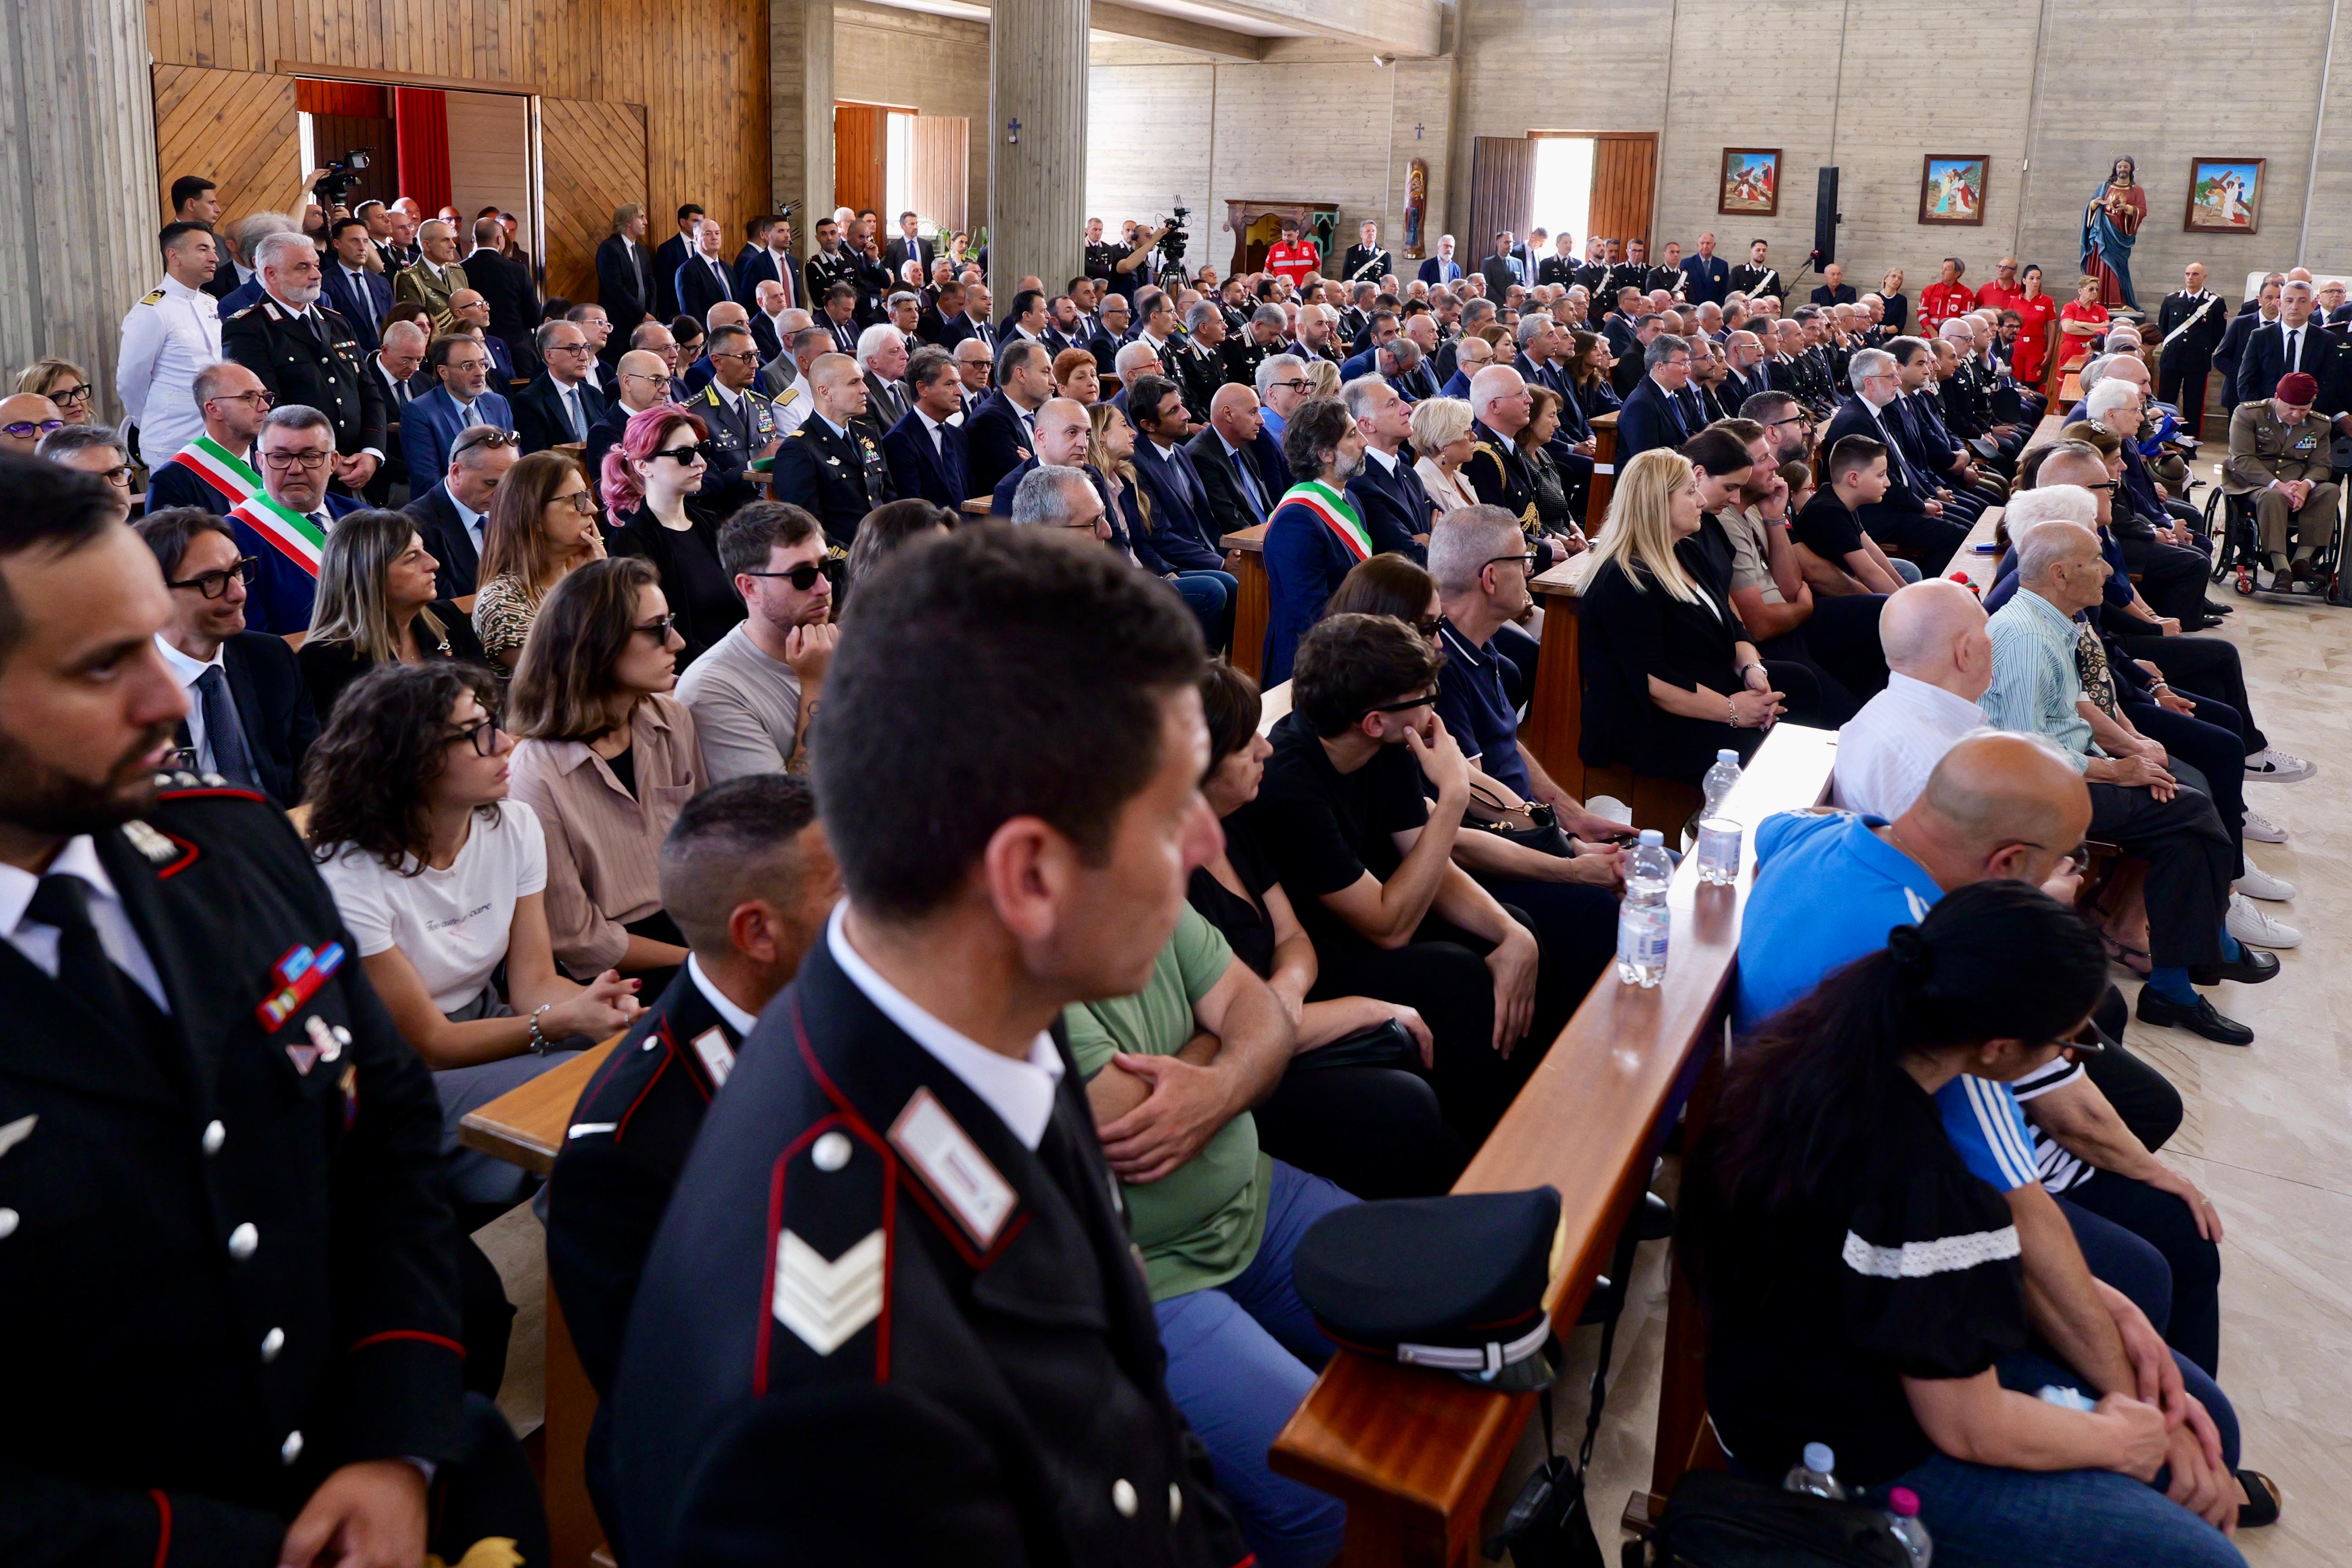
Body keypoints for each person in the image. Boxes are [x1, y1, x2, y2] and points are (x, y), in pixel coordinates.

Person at [609, 525, 1255, 1565]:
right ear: (1031, 878)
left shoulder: (980, 1021)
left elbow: (1125, 1401)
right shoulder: (832, 1410)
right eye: (1174, 801)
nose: (1208, 839)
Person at [0, 453, 552, 1568]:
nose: (166, 696)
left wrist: (392, 1441)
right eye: (105, 664)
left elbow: (388, 1133)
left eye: (153, 643)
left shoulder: (233, 841)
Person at [1693, 882, 2252, 1565]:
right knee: (2203, 1553)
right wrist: (2121, 1438)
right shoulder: (1918, 1174)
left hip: (1828, 1365)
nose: (2069, 1057)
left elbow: (1909, 1270)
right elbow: (1971, 1427)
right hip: (1842, 1452)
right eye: (2067, 1042)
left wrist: (2110, 1309)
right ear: (1998, 1049)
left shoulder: (1818, 1047)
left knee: (2206, 1416)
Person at [545, 774, 837, 1527]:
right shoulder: (631, 1143)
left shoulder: (851, 1017)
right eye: (844, 889)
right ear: (758, 934)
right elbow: (676, 1392)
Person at [305, 660, 642, 1212]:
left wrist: (595, 1006)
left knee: (643, 1053)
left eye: (496, 722)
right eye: (478, 732)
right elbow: (431, 1042)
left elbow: (533, 981)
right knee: (585, 1091)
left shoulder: (511, 825)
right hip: (396, 1073)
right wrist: (561, 1020)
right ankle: (586, 1261)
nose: (507, 743)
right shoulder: (348, 874)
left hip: (487, 1020)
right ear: (411, 760)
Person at [1244, 611, 1562, 1145]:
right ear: (1373, 720)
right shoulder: (1290, 782)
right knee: (1457, 976)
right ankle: (1482, 1150)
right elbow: (1387, 926)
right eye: (1425, 697)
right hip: (1310, 948)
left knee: (1522, 931)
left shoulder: (1388, 742)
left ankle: (1537, 1121)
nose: (1434, 708)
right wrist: (1453, 797)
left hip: (1372, 908)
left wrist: (1512, 935)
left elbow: (1428, 862)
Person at [1189, 660, 1466, 1201]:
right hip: (1246, 1071)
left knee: (1452, 986)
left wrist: (1286, 988)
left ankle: (1499, 1179)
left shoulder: (1234, 824)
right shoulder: (1174, 877)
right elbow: (1222, 1038)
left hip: (1284, 1016)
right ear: (1196, 765)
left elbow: (1293, 939)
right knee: (1403, 1104)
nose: (1264, 749)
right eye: (1246, 744)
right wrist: (1366, 1007)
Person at [1981, 521, 2264, 1044]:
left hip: (2070, 765)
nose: (2109, 569)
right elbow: (2026, 749)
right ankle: (2203, 954)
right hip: (2037, 793)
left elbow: (2076, 707)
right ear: (2061, 573)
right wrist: (2118, 769)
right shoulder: (2022, 636)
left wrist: (2133, 747)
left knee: (2188, 799)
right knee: (2190, 809)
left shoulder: (2054, 620)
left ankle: (2174, 980)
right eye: (2095, 560)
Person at [505, 557, 700, 988]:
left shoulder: (672, 719)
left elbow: (708, 847)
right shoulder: (536, 773)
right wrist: (700, 961)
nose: (679, 642)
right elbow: (577, 938)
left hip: (697, 927)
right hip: (618, 973)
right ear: (595, 644)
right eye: (657, 629)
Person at [1578, 447, 1815, 780]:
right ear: (1657, 502)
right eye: (1690, 492)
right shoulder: (1623, 577)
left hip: (1707, 682)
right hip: (1653, 718)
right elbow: (1652, 681)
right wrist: (1734, 711)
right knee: (1775, 756)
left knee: (1800, 685)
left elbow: (1732, 623)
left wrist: (1752, 670)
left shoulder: (1687, 550)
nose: (1702, 501)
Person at [134, 505, 317, 804]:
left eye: (238, 570)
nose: (238, 593)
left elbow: (314, 769)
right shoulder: (125, 693)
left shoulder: (270, 658)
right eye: (211, 580)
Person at [676, 502, 837, 781]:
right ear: (750, 588)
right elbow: (786, 818)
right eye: (802, 577)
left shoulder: (839, 647)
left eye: (826, 568)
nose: (823, 588)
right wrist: (817, 685)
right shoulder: (712, 688)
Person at [297, 505, 488, 720]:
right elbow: (351, 748)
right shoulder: (324, 660)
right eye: (412, 557)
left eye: (424, 550)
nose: (434, 564)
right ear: (370, 575)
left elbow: (488, 700)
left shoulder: (447, 618)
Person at [602, 403, 739, 667]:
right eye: (685, 454)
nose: (701, 462)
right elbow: (662, 635)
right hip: (694, 673)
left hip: (738, 658)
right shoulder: (632, 541)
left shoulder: (711, 524)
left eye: (702, 450)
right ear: (644, 466)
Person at [1261, 397, 1373, 683]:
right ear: (1325, 454)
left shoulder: (1350, 499)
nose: (1364, 443)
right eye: (1351, 435)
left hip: (1352, 648)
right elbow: (1312, 616)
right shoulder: (1296, 520)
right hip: (1314, 671)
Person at [472, 447, 604, 668]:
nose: (592, 509)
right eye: (577, 500)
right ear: (534, 517)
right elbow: (572, 675)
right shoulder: (501, 601)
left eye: (588, 496)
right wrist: (598, 588)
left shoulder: (583, 573)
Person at [118, 221, 226, 468]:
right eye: (203, 249)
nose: (215, 258)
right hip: (172, 438)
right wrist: (148, 418)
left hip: (215, 436)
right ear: (174, 256)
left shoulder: (209, 303)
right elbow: (131, 380)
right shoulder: (153, 310)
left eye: (214, 250)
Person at [2222, 370, 2338, 591]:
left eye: (2303, 410)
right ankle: (2281, 568)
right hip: (2254, 483)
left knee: (2330, 491)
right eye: (2291, 408)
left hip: (2297, 482)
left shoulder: (2319, 425)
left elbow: (2321, 465)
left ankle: (2302, 561)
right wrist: (2279, 485)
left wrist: (2305, 485)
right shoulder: (2249, 414)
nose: (2296, 415)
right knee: (2273, 496)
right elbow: (2243, 459)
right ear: (2277, 398)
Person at [771, 352, 897, 546]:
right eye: (854, 383)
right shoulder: (799, 449)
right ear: (825, 392)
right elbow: (807, 528)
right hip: (842, 562)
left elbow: (889, 499)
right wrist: (853, 559)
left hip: (884, 549)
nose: (865, 390)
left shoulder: (867, 435)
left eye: (862, 381)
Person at [403, 421, 517, 599]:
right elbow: (444, 610)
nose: (503, 495)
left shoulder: (516, 509)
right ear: (456, 472)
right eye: (491, 484)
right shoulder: (415, 527)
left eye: (509, 484)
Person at [1791, 434, 1912, 594]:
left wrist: (1908, 592)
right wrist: (1904, 604)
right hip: (1827, 598)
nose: (1888, 483)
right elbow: (1868, 573)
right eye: (1881, 475)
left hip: (1850, 575)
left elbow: (1872, 550)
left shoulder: (1838, 496)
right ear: (1854, 478)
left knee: (1908, 572)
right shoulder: (1829, 512)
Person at [402, 332, 515, 485]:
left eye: (482, 364)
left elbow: (514, 462)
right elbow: (428, 480)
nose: (480, 373)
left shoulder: (498, 404)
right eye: (468, 366)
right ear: (443, 372)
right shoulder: (420, 412)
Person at [879, 345, 971, 507]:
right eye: (950, 384)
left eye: (958, 384)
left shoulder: (958, 436)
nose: (960, 392)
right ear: (922, 389)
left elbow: (970, 495)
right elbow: (913, 509)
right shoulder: (899, 441)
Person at [516, 317, 609, 454]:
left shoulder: (594, 395)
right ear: (550, 356)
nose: (584, 357)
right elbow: (539, 459)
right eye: (574, 349)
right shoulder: (528, 401)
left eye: (585, 348)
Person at [2157, 262, 2230, 436]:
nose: (2191, 278)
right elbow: (2163, 327)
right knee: (2165, 401)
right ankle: (2162, 438)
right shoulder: (2172, 300)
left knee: (2194, 403)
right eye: (2188, 274)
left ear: (2204, 277)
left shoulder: (2216, 302)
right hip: (2172, 358)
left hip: (2197, 361)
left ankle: (2190, 442)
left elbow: (2218, 333)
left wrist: (2203, 350)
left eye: (2196, 274)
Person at [2082, 155, 2148, 310]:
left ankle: (2116, 302)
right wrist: (2094, 204)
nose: (2122, 170)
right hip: (2102, 233)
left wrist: (2129, 209)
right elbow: (2092, 205)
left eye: (2126, 167)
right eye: (2120, 167)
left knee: (2116, 268)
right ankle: (2096, 302)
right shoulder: (2105, 187)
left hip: (2120, 236)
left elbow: (2143, 211)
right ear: (2115, 169)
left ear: (2131, 168)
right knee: (2100, 264)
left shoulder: (2137, 190)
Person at [2009, 263, 2059, 385]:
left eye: (2038, 279)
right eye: (2032, 278)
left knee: (2033, 384)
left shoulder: (2047, 301)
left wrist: (2050, 350)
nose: (2035, 282)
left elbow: (2052, 327)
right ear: (2024, 281)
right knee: (2015, 383)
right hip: (2017, 345)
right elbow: (2007, 326)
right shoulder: (2015, 301)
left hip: (2036, 346)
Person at [2058, 274, 2113, 375]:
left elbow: (2106, 327)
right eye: (2091, 289)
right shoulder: (2070, 307)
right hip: (2072, 348)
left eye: (2097, 289)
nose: (2095, 292)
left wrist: (2080, 324)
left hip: (2092, 349)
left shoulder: (2101, 310)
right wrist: (2095, 330)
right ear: (2080, 291)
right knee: (2066, 380)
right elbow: (2068, 328)